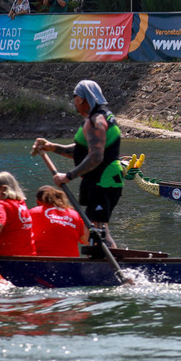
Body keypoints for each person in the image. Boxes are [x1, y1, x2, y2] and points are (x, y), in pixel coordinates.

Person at [32, 80, 124, 248]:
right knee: (95, 229)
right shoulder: (102, 116)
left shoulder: (97, 121)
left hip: (102, 181)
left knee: (99, 230)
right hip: (103, 180)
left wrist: (68, 176)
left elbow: (96, 156)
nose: (75, 103)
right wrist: (52, 147)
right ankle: (101, 265)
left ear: (81, 99)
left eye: (75, 98)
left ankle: (110, 270)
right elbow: (83, 151)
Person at [30, 185, 88, 257]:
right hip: (71, 263)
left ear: (39, 202)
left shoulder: (33, 212)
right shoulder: (75, 214)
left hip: (42, 262)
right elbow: (87, 240)